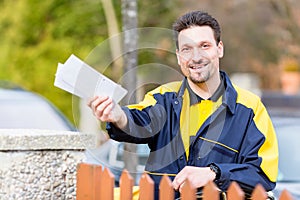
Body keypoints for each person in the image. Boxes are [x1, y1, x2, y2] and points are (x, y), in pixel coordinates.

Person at [88, 11, 278, 199]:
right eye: (187, 49)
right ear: (179, 56)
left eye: (204, 46)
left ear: (219, 49)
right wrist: (118, 115)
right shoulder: (163, 98)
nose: (196, 57)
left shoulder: (250, 109)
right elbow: (138, 121)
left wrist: (214, 173)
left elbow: (263, 175)